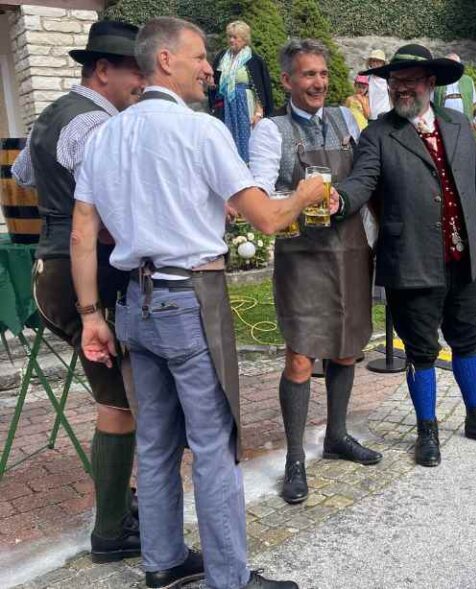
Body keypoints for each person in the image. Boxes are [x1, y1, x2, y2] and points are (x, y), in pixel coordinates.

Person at [71, 17, 324, 589]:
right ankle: (228, 579)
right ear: (164, 60)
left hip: (133, 300)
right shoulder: (202, 130)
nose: (210, 67)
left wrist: (91, 316)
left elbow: (83, 233)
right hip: (190, 297)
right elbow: (266, 217)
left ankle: (162, 563)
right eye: (199, 57)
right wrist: (306, 192)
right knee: (213, 444)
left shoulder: (103, 135)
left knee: (157, 442)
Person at [335, 43, 476, 468]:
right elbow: (361, 183)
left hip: (463, 256)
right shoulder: (378, 133)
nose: (401, 88)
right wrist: (337, 200)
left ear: (430, 84)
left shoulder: (457, 126)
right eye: (395, 81)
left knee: (468, 339)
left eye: (410, 81)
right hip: (412, 259)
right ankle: (427, 430)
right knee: (421, 350)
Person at [11, 20, 143, 564]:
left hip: (48, 268)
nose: (141, 80)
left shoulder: (51, 115)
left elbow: (22, 175)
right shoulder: (97, 122)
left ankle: (121, 505)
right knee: (119, 404)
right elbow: (106, 206)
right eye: (134, 69)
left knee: (117, 397)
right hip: (82, 270)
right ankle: (110, 530)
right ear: (103, 70)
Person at [248, 39, 380, 505]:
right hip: (302, 254)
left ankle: (337, 436)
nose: (318, 83)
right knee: (301, 357)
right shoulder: (271, 132)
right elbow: (260, 198)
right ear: (287, 80)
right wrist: (301, 198)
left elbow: (368, 173)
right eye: (307, 75)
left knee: (347, 349)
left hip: (350, 250)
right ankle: (295, 460)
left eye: (322, 74)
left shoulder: (347, 121)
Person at [209, 20, 274, 160]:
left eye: (235, 37)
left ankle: (247, 169)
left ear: (244, 39)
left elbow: (260, 88)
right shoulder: (222, 57)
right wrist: (212, 84)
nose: (231, 40)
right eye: (229, 36)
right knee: (226, 136)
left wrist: (258, 112)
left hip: (245, 103)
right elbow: (214, 78)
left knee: (247, 138)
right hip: (226, 104)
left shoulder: (253, 59)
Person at [433, 53, 476, 119]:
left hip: (464, 119)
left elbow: (474, 102)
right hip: (444, 120)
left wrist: (468, 115)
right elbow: (430, 102)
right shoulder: (438, 80)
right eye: (449, 64)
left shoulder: (468, 80)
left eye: (455, 64)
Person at [365, 49, 391, 121]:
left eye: (379, 61)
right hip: (370, 116)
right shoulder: (367, 78)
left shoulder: (387, 79)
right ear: (370, 63)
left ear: (383, 64)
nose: (376, 63)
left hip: (384, 116)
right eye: (374, 61)